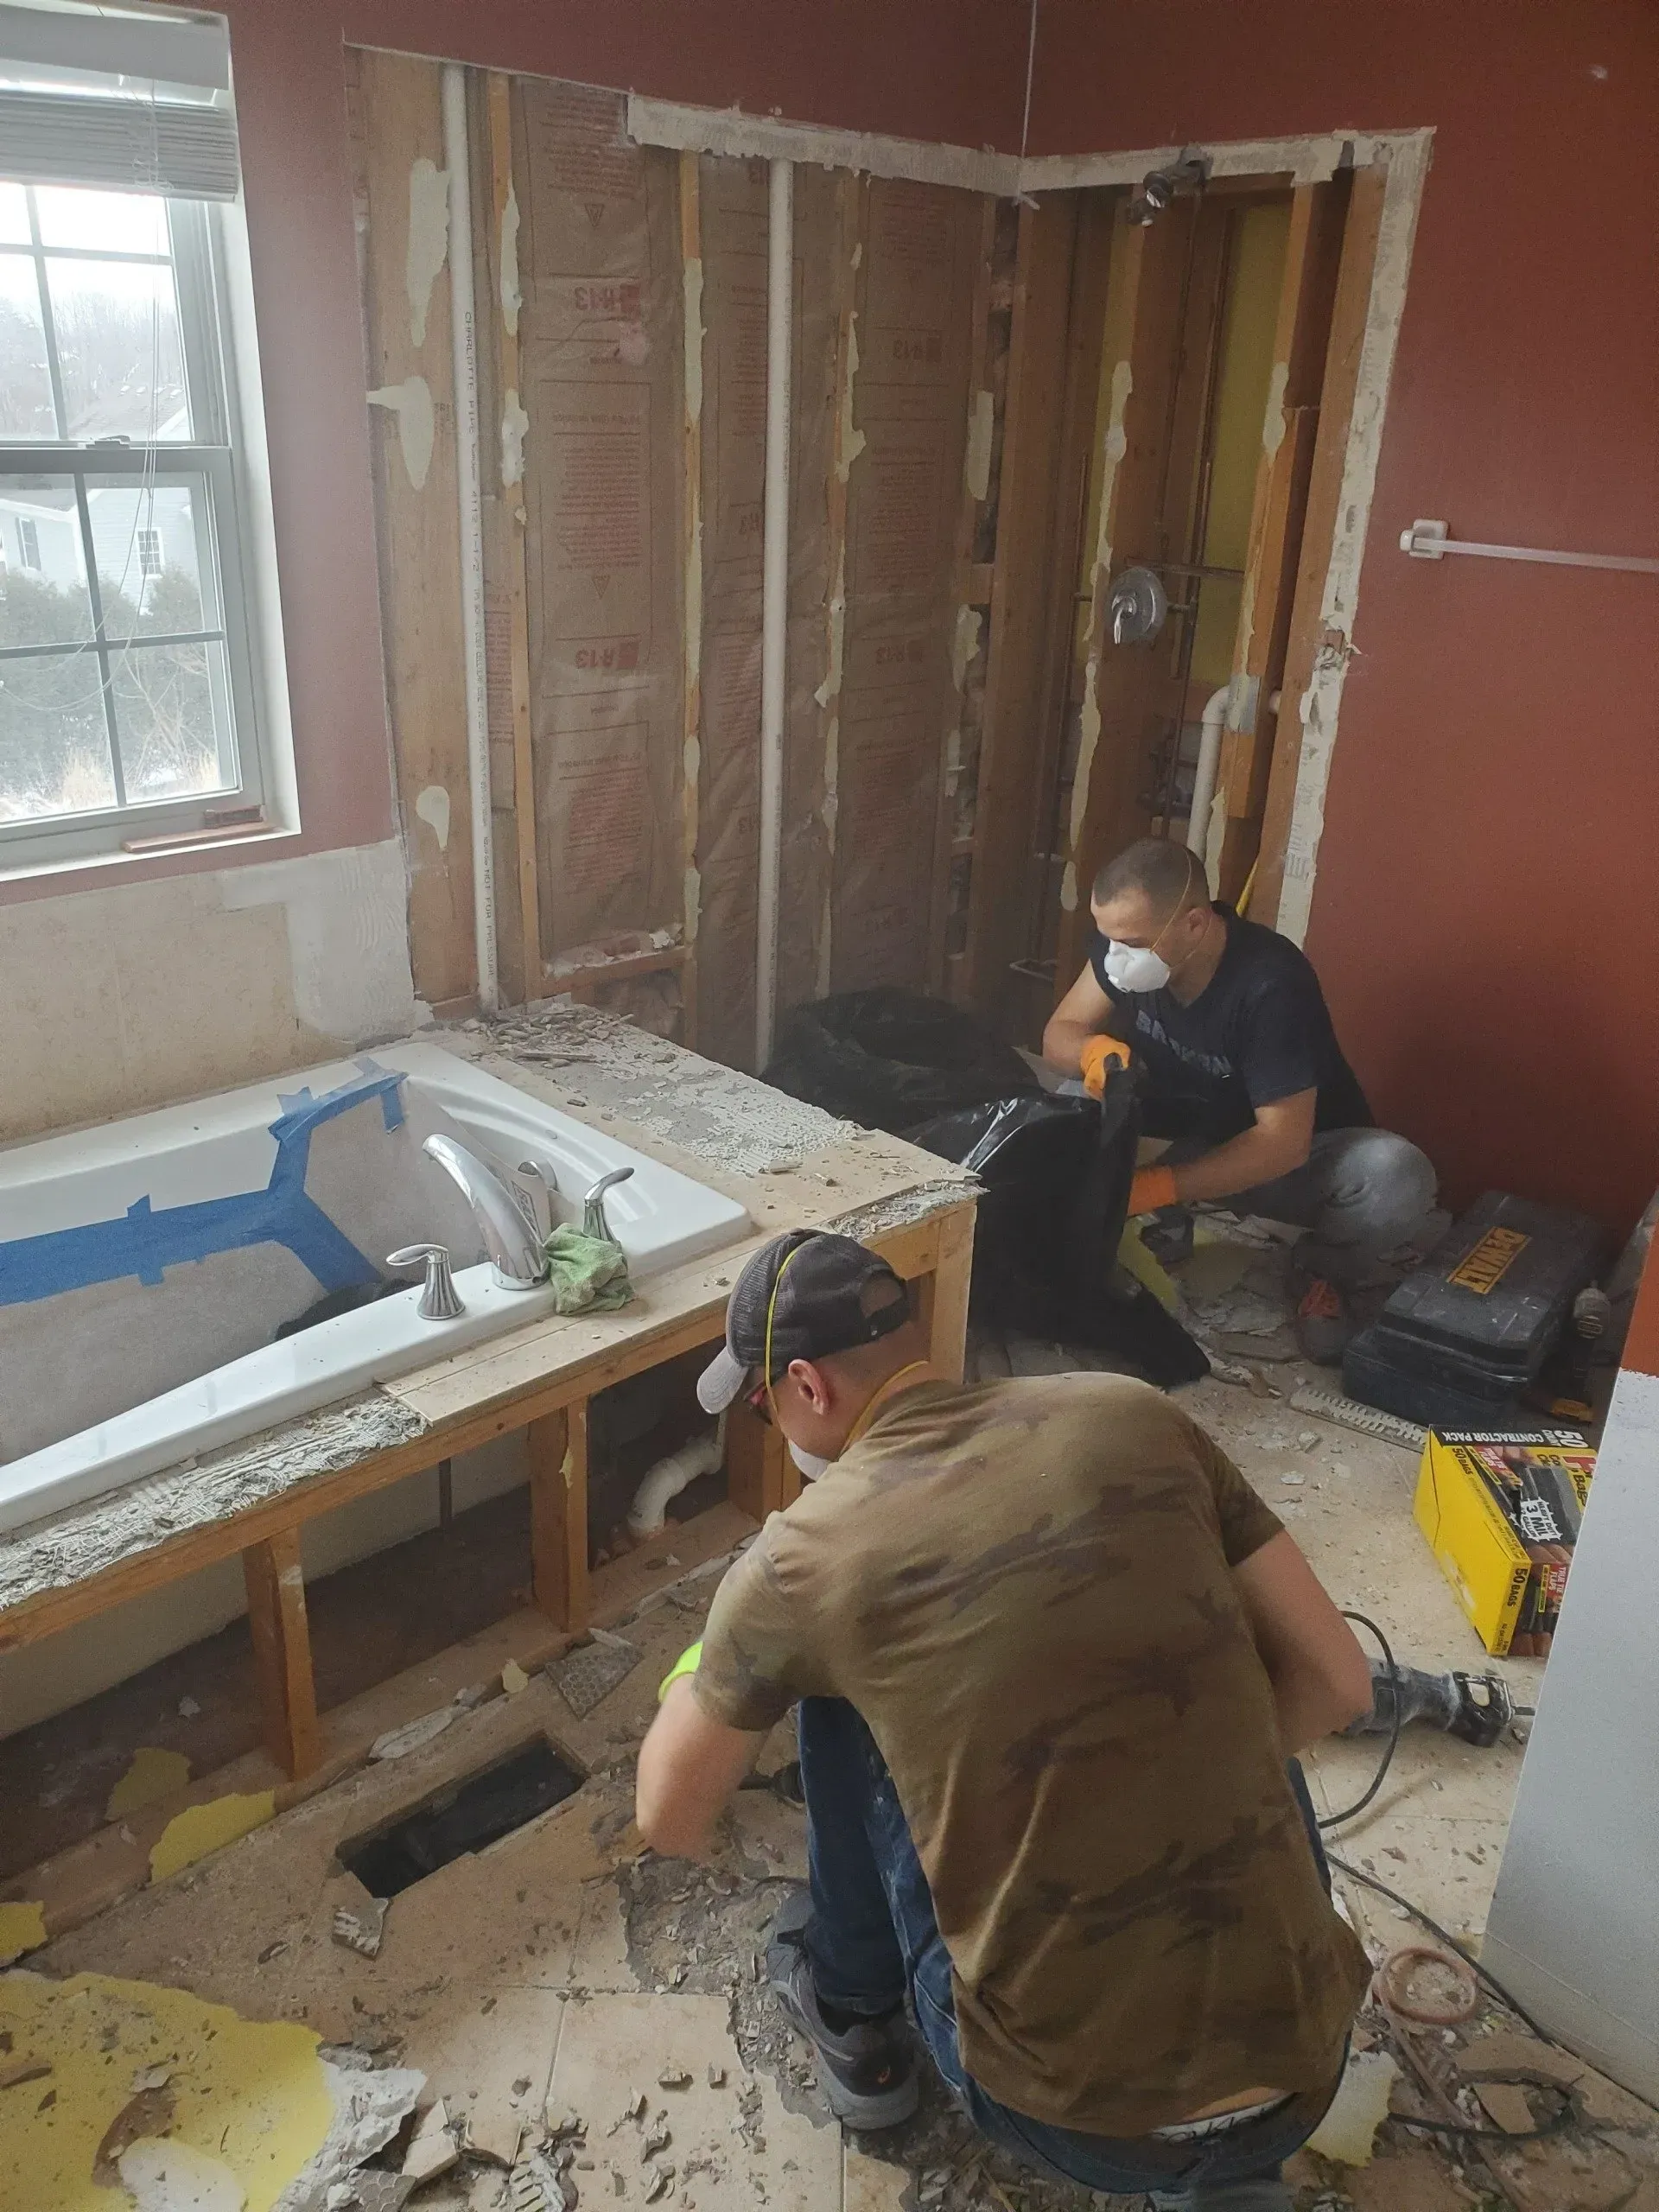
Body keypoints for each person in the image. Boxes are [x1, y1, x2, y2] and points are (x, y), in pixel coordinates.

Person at [635, 1229, 1375, 2212]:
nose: (775, 1429)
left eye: (765, 1406)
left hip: (1066, 2112)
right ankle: (1232, 2170)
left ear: (808, 1387)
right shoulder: (1134, 1412)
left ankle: (855, 2016)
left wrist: (710, 1663)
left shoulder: (803, 1561)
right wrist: (1152, 1775)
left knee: (835, 1688)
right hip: (1305, 2067)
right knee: (1205, 1672)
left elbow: (671, 1819)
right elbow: (1336, 1681)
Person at [1042, 836, 1437, 1361]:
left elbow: (1282, 1143)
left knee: (1396, 1176)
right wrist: (1091, 1051)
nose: (1117, 958)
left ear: (1196, 924)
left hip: (1273, 1165)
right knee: (1063, 1109)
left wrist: (1158, 1187)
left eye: (1134, 942)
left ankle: (1320, 1268)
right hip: (1177, 1133)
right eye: (1108, 937)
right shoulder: (1123, 950)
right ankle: (1142, 1231)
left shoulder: (1270, 985)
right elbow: (1059, 1033)